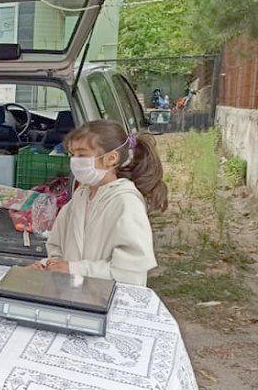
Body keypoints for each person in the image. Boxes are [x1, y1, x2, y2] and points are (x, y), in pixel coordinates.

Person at [33, 120, 168, 286]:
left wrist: (74, 269)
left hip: (105, 299)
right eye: (72, 154)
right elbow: (57, 245)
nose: (75, 161)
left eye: (82, 155)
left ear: (111, 158)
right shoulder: (81, 195)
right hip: (74, 294)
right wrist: (51, 265)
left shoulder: (125, 203)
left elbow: (130, 272)